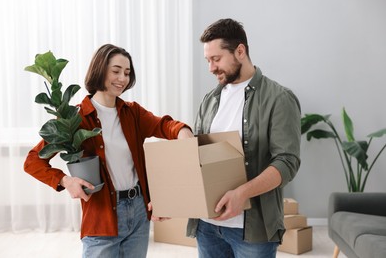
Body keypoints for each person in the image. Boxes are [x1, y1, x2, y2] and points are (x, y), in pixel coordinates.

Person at [24, 44, 193, 257]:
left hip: (139, 214)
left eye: (127, 73)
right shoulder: (74, 118)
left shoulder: (132, 112)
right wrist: (66, 181)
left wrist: (183, 131)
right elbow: (33, 161)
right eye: (116, 71)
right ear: (100, 69)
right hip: (102, 218)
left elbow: (164, 126)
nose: (122, 78)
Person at [186, 19, 301, 258]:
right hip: (207, 226)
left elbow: (287, 162)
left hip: (253, 230)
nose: (211, 68)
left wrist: (242, 193)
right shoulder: (210, 100)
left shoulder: (279, 98)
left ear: (240, 51)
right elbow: (198, 157)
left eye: (216, 59)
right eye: (207, 60)